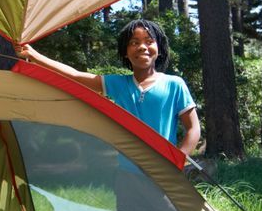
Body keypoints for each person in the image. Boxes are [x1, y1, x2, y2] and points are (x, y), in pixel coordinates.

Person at [14, 19, 201, 157]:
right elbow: (75, 76)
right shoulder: (117, 84)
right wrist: (35, 56)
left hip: (165, 173)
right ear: (125, 53)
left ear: (159, 49)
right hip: (127, 172)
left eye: (149, 41)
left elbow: (193, 128)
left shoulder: (174, 84)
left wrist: (180, 158)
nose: (142, 47)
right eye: (134, 43)